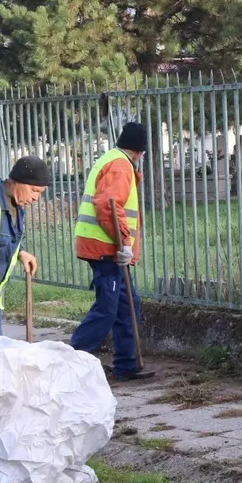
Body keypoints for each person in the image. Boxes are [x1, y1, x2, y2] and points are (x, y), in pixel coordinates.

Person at [69, 122, 155, 380]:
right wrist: (124, 243)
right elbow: (108, 206)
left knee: (128, 305)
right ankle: (69, 362)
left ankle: (126, 366)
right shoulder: (120, 166)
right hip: (106, 249)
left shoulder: (113, 159)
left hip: (105, 247)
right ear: (140, 151)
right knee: (107, 309)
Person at [0, 156, 48, 335]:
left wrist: (20, 253)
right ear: (17, 182)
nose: (36, 198)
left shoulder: (16, 206)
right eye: (34, 190)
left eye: (40, 193)